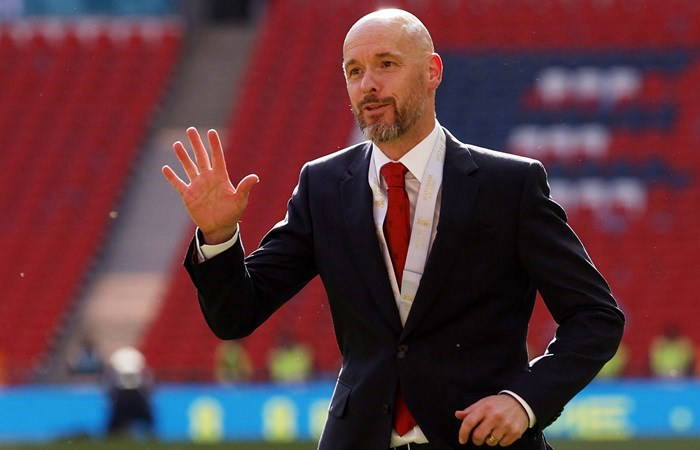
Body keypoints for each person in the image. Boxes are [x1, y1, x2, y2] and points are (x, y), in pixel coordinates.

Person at [162, 9, 624, 450]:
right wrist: (219, 236)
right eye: (354, 71)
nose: (368, 84)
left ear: (432, 71)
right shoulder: (323, 186)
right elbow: (236, 316)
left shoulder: (510, 185)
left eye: (386, 64)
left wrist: (524, 402)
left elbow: (596, 317)